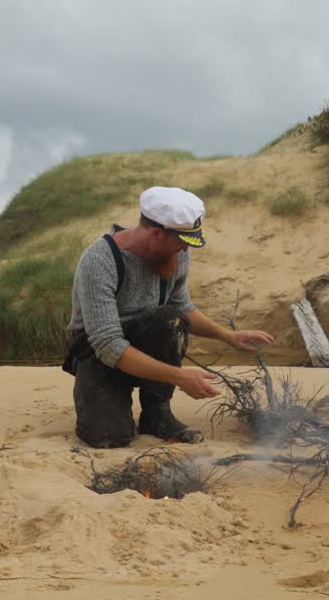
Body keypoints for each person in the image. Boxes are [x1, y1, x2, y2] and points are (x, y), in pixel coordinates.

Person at [63, 186, 275, 448]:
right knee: (109, 438)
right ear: (156, 233)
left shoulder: (175, 254)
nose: (186, 249)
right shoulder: (99, 261)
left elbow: (183, 309)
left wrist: (228, 336)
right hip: (96, 352)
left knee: (170, 319)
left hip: (141, 342)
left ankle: (156, 414)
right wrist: (179, 376)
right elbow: (108, 345)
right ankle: (112, 400)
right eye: (183, 241)